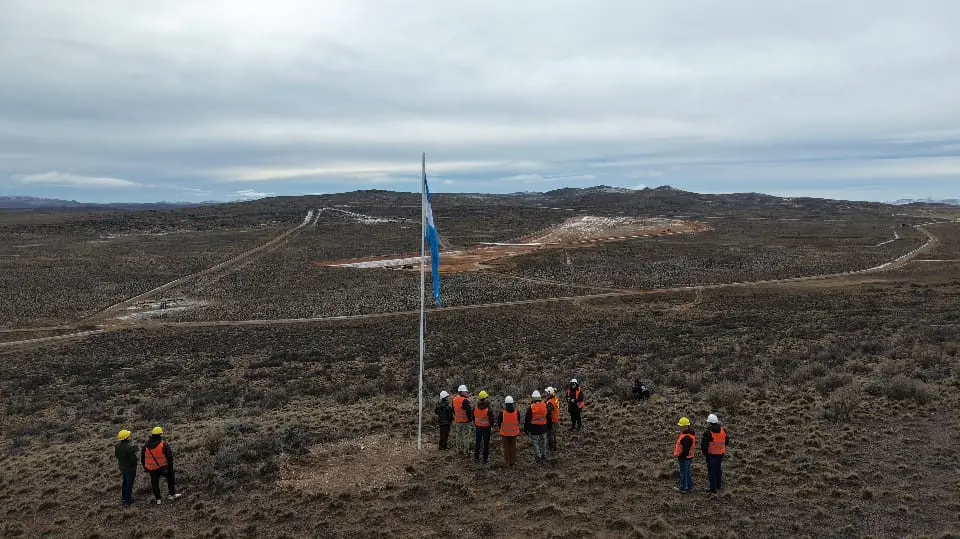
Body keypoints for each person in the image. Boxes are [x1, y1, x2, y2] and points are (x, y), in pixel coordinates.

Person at [141, 426, 182, 504]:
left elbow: (143, 459)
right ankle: (171, 494)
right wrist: (170, 468)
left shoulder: (145, 447)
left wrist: (146, 468)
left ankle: (158, 499)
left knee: (155, 483)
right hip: (164, 467)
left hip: (152, 468)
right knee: (170, 478)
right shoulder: (163, 445)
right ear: (160, 434)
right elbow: (170, 457)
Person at [701, 413, 728, 493]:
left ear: (709, 423)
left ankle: (712, 489)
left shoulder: (708, 432)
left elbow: (704, 446)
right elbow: (726, 442)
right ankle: (718, 485)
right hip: (720, 454)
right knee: (718, 470)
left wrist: (706, 453)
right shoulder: (723, 430)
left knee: (711, 472)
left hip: (711, 455)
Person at [524, 390, 549, 463]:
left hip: (534, 429)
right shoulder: (545, 405)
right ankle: (544, 455)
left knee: (535, 443)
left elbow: (527, 419)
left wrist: (526, 429)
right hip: (543, 428)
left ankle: (538, 456)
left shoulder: (531, 407)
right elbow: (548, 416)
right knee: (543, 442)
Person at [115, 429, 137, 508]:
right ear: (126, 438)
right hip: (130, 468)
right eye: (128, 435)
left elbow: (117, 455)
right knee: (129, 484)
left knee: (125, 482)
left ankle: (124, 498)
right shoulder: (129, 447)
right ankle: (128, 501)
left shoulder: (117, 446)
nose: (129, 436)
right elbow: (133, 459)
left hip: (122, 467)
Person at [674, 417, 696, 494]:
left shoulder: (686, 437)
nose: (679, 427)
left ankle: (682, 488)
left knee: (683, 473)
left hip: (684, 458)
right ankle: (689, 487)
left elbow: (686, 450)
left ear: (685, 426)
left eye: (681, 426)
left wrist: (680, 457)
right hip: (688, 458)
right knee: (687, 472)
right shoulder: (689, 435)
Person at [498, 396, 521, 467]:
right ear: (512, 403)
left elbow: (499, 423)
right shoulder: (517, 412)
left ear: (506, 404)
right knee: (513, 448)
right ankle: (512, 462)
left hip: (505, 434)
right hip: (514, 433)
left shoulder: (502, 413)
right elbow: (518, 421)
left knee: (506, 448)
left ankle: (507, 462)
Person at [452, 385, 474, 456]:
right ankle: (466, 451)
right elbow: (468, 412)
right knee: (466, 436)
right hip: (465, 421)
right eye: (466, 391)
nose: (467, 392)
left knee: (458, 435)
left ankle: (458, 450)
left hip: (458, 421)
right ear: (462, 392)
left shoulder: (454, 400)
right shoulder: (465, 401)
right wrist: (470, 420)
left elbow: (453, 410)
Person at [473, 391, 493, 466]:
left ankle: (476, 457)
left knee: (477, 443)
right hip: (486, 428)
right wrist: (491, 426)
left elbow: (473, 416)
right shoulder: (488, 409)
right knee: (486, 443)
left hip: (478, 427)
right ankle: (485, 459)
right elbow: (491, 419)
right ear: (485, 398)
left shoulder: (475, 408)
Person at [544, 387, 560, 454]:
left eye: (547, 393)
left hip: (551, 421)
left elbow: (548, 413)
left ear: (549, 393)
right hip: (555, 419)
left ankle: (551, 449)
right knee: (553, 434)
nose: (545, 394)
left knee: (550, 435)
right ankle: (554, 447)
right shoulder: (555, 399)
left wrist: (549, 422)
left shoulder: (550, 403)